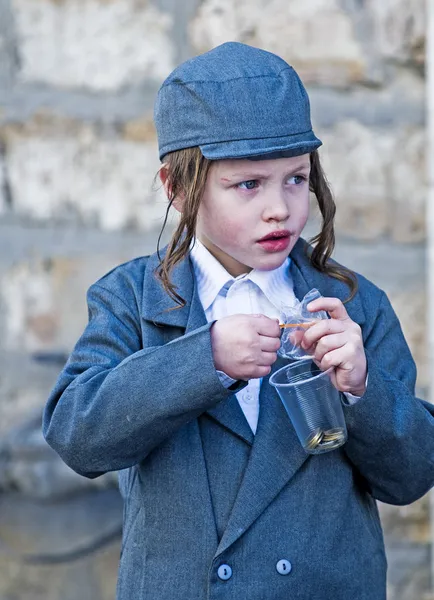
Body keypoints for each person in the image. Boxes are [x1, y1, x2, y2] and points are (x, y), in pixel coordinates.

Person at [43, 42, 434, 600]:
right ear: (177, 189)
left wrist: (361, 390)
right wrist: (202, 360)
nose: (280, 207)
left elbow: (411, 476)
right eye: (248, 184)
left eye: (296, 178)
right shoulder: (131, 299)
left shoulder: (354, 303)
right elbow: (78, 436)